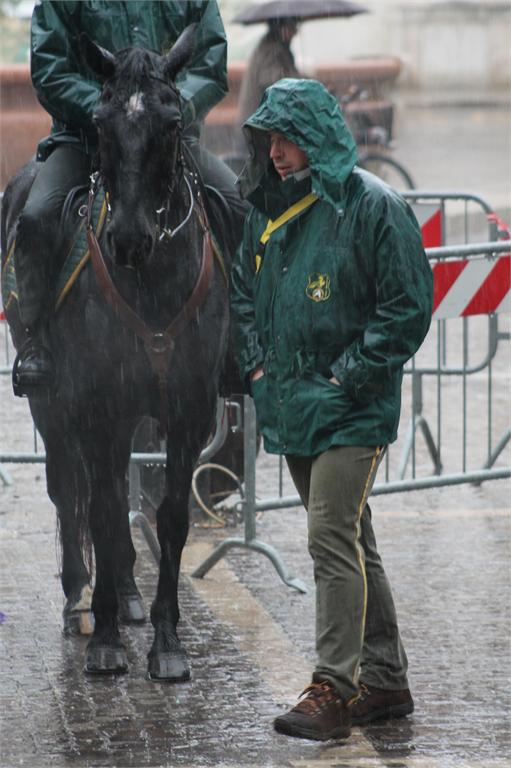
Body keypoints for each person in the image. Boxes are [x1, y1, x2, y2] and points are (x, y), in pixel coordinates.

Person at [231, 78, 433, 742]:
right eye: (269, 139)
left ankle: (333, 688)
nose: (275, 152)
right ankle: (385, 679)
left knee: (327, 535)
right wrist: (259, 370)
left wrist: (350, 376)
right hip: (293, 408)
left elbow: (407, 306)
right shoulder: (267, 210)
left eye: (287, 138)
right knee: (350, 537)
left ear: (317, 136)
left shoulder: (374, 207)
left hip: (352, 411)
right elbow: (241, 292)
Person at [14, 0, 246, 395]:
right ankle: (37, 343)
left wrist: (167, 107)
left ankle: (241, 344)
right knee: (37, 216)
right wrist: (113, 109)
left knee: (239, 208)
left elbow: (210, 63)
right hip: (84, 139)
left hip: (167, 142)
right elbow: (50, 69)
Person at [237, 17, 301, 129]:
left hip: (263, 121)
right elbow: (273, 81)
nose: (295, 32)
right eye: (292, 27)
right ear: (280, 28)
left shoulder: (279, 47)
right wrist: (302, 84)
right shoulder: (272, 49)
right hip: (259, 124)